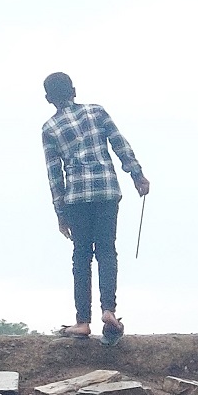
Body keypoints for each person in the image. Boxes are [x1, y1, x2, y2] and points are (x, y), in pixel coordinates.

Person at [40, 72, 149, 344]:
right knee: (106, 251)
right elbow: (119, 144)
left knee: (81, 257)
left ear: (48, 99)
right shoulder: (96, 112)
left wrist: (60, 213)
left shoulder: (50, 129)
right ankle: (109, 311)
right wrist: (136, 174)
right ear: (74, 90)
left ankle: (82, 322)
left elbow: (55, 175)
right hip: (106, 191)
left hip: (76, 198)